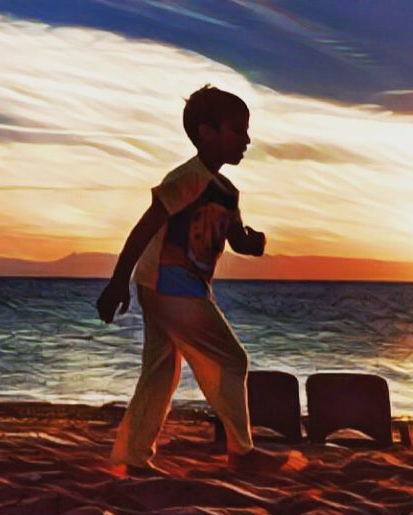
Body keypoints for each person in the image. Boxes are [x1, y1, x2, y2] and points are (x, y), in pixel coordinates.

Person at [96, 85, 294, 476]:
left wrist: (253, 242)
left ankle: (133, 457)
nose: (247, 140)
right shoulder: (188, 178)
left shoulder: (227, 192)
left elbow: (236, 239)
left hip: (174, 289)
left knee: (160, 372)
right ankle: (241, 450)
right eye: (237, 131)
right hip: (169, 286)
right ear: (207, 132)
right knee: (232, 359)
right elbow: (145, 227)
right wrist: (118, 280)